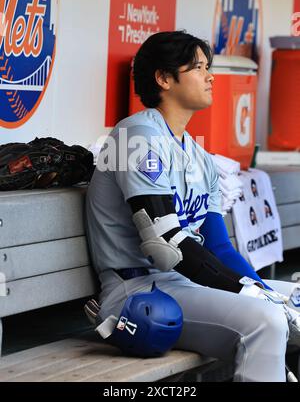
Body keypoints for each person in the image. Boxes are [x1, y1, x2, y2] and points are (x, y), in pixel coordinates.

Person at [86, 30, 300, 382]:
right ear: (164, 78)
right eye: (198, 67)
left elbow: (218, 248)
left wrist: (262, 288)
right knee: (267, 321)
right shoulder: (135, 135)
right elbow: (166, 245)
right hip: (139, 291)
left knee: (290, 305)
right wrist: (250, 293)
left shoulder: (200, 158)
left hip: (187, 284)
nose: (210, 76)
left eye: (207, 67)